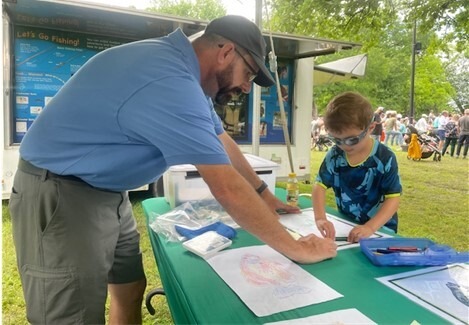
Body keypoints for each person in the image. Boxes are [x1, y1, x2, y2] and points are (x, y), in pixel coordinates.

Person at [9, 15, 337, 324]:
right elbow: (225, 187)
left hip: (107, 192)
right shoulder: (170, 79)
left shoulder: (187, 76)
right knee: (71, 315)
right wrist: (297, 248)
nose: (247, 87)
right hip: (63, 193)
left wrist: (264, 194)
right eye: (249, 74)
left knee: (129, 286)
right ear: (225, 52)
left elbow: (222, 141)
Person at [312, 92, 402, 243]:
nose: (344, 145)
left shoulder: (384, 157)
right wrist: (320, 218)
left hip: (380, 229)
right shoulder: (335, 155)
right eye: (336, 140)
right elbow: (319, 186)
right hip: (347, 225)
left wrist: (370, 227)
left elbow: (393, 198)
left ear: (370, 128)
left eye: (352, 140)